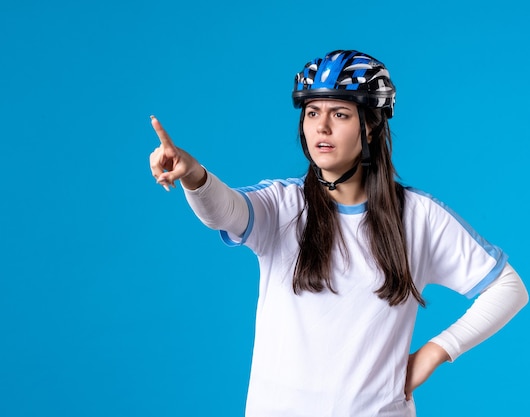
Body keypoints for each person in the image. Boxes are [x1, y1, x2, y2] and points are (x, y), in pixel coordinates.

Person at [148, 50, 528, 417]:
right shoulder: (282, 205)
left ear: (371, 126)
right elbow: (225, 211)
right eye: (312, 112)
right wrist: (195, 176)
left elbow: (509, 288)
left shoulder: (419, 216)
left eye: (340, 113)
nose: (321, 126)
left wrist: (436, 351)